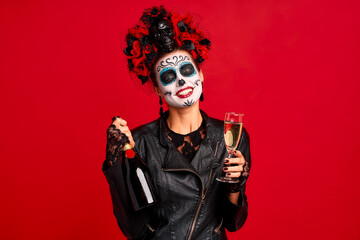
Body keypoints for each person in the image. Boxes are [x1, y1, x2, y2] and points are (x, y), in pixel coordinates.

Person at [103, 6, 251, 240]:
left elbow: (233, 223)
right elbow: (135, 230)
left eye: (186, 70)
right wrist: (116, 164)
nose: (181, 81)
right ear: (157, 88)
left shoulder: (232, 137)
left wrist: (235, 187)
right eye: (169, 76)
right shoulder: (139, 142)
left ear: (200, 74)